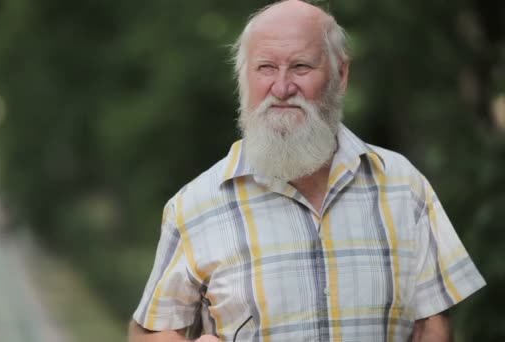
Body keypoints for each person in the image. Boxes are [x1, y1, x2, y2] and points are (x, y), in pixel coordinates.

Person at [128, 1, 486, 341]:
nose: (282, 88)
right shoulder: (194, 206)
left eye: (301, 67)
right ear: (244, 78)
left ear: (341, 74)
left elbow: (433, 325)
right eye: (266, 68)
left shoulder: (403, 186)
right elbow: (146, 332)